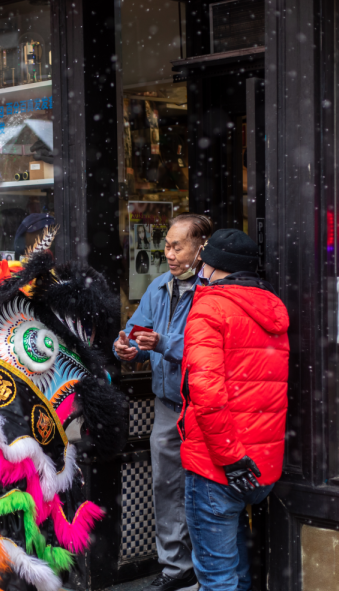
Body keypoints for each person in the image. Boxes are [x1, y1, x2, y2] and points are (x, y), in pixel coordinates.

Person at [179, 228, 289, 591]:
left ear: (212, 264)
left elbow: (206, 393)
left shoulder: (210, 307)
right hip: (263, 466)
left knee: (217, 577)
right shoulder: (272, 306)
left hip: (219, 465)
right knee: (238, 571)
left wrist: (230, 457)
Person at [113, 212, 213, 591]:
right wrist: (125, 348)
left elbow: (210, 351)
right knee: (166, 486)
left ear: (200, 248)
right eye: (166, 245)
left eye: (177, 246)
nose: (168, 253)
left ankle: (211, 571)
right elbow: (136, 335)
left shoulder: (214, 291)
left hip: (204, 407)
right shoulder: (159, 287)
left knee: (207, 490)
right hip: (168, 407)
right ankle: (176, 567)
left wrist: (164, 344)